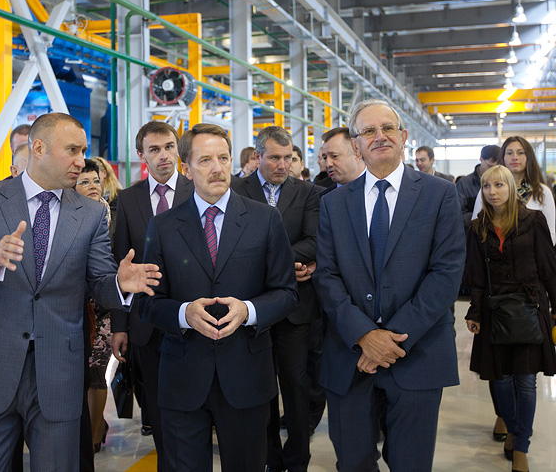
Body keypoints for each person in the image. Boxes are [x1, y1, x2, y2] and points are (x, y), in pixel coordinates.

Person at [0, 112, 160, 472]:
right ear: (39, 148)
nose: (81, 161)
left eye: (83, 151)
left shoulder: (90, 214)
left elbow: (100, 281)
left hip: (59, 368)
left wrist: (120, 285)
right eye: (72, 150)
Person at [314, 99, 465, 471]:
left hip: (418, 351)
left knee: (411, 463)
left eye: (387, 128)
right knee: (353, 462)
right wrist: (365, 335)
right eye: (368, 131)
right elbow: (327, 276)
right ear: (356, 145)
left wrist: (390, 340)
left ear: (404, 136)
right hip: (351, 356)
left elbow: (446, 274)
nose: (379, 136)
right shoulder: (333, 203)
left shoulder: (440, 194)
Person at [138, 123, 298, 472]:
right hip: (183, 378)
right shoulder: (163, 227)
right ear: (186, 168)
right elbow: (146, 303)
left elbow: (287, 292)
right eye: (205, 160)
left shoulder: (264, 219)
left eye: (223, 158)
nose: (217, 168)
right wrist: (183, 314)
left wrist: (249, 310)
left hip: (246, 375)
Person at [230, 126, 320, 472]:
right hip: (253, 308)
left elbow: (314, 241)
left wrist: (269, 261)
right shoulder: (237, 190)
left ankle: (298, 460)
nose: (283, 165)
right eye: (275, 158)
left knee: (296, 386)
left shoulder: (307, 192)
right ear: (258, 157)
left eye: (288, 158)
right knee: (261, 387)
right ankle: (270, 457)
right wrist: (283, 263)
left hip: (295, 308)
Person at [110, 120, 193, 470]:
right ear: (141, 154)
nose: (164, 156)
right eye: (154, 149)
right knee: (157, 407)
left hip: (192, 317)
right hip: (145, 321)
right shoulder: (128, 200)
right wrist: (120, 325)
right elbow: (120, 264)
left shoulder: (197, 190)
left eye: (169, 147)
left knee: (192, 405)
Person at [464, 165, 556, 472]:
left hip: (530, 307)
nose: (492, 192)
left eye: (499, 185)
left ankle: (520, 446)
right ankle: (514, 430)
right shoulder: (478, 227)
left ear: (511, 188)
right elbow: (476, 275)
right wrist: (475, 311)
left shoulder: (534, 221)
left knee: (526, 382)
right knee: (500, 380)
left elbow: (548, 267)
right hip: (494, 312)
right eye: (486, 186)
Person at [73, 160, 113, 453]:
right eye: (84, 182)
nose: (92, 187)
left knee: (97, 373)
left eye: (95, 181)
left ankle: (94, 435)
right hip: (76, 305)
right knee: (79, 375)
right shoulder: (70, 217)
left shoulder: (114, 217)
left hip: (104, 309)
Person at [472, 136, 556, 245]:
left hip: (531, 253)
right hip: (494, 251)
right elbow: (476, 226)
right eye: (509, 153)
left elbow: (550, 234)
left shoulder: (542, 192)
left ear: (529, 156)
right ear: (502, 157)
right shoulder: (489, 189)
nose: (515, 157)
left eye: (520, 153)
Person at [456, 145, 500, 233]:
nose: (493, 170)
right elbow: (458, 215)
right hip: (473, 233)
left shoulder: (505, 183)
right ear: (481, 159)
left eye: (497, 167)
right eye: (490, 166)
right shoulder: (464, 184)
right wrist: (487, 216)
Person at [320, 126, 365, 196]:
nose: (328, 164)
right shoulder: (325, 197)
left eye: (334, 156)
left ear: (357, 154)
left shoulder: (379, 189)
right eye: (325, 158)